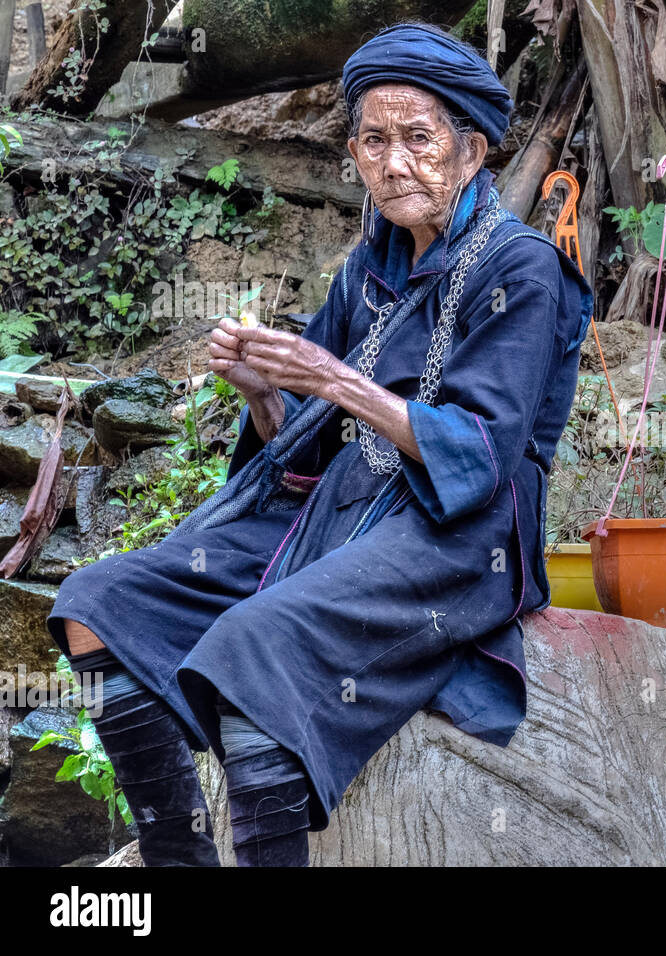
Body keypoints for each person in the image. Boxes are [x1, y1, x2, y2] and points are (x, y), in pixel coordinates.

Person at [45, 21, 593, 866]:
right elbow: (298, 450)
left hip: (455, 535)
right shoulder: (366, 270)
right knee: (95, 605)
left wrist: (331, 379)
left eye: (419, 138)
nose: (394, 160)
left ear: (471, 150)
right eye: (374, 141)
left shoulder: (520, 269)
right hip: (333, 506)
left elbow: (481, 454)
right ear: (354, 153)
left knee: (254, 644)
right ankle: (177, 856)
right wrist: (269, 393)